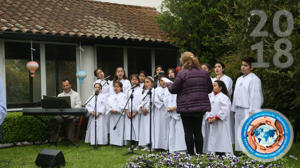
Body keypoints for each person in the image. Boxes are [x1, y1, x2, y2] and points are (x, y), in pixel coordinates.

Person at [167, 51, 213, 155]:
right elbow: (210, 89)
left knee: (188, 132)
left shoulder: (182, 73)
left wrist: (169, 84)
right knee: (198, 131)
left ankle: (191, 154)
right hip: (200, 107)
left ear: (183, 61)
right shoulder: (204, 73)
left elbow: (173, 89)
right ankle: (200, 154)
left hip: (186, 107)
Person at [231, 57, 263, 151]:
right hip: (238, 109)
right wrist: (234, 109)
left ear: (251, 67)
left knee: (248, 132)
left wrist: (253, 112)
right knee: (239, 131)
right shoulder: (239, 79)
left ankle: (250, 152)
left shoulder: (254, 79)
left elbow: (255, 97)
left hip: (247, 110)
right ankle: (240, 151)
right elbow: (236, 95)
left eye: (246, 65)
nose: (243, 67)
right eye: (242, 65)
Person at [203, 80, 233, 155]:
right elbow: (207, 107)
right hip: (211, 122)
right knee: (212, 138)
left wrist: (216, 118)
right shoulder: (210, 96)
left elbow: (225, 109)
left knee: (221, 137)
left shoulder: (224, 97)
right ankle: (212, 153)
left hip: (220, 122)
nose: (213, 87)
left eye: (215, 85)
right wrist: (209, 117)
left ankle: (222, 153)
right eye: (212, 85)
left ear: (220, 88)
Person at [49, 79, 82, 143]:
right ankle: (53, 141)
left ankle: (70, 141)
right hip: (61, 115)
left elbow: (79, 105)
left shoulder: (76, 94)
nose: (65, 87)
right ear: (62, 87)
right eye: (64, 86)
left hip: (71, 115)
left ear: (70, 85)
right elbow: (57, 107)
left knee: (71, 120)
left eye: (67, 85)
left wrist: (72, 108)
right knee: (54, 119)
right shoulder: (60, 95)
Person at [165, 76, 186, 153]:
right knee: (172, 132)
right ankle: (172, 149)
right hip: (171, 114)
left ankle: (181, 149)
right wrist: (168, 108)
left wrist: (174, 108)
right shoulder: (169, 91)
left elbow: (183, 101)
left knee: (180, 131)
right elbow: (166, 100)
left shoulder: (182, 90)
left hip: (179, 113)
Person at [124, 74, 142, 147]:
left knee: (137, 127)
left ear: (138, 81)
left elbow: (141, 102)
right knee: (130, 128)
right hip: (129, 112)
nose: (134, 81)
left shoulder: (141, 90)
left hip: (137, 112)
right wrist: (127, 112)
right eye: (132, 80)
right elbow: (125, 101)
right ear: (130, 81)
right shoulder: (128, 90)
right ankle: (131, 142)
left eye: (136, 79)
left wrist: (135, 112)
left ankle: (137, 143)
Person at [152, 76, 170, 150]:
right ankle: (158, 145)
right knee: (158, 128)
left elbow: (170, 99)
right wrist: (162, 101)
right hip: (158, 112)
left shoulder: (169, 89)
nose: (163, 82)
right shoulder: (156, 90)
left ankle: (166, 146)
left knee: (166, 128)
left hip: (166, 111)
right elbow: (155, 99)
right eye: (161, 81)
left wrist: (162, 100)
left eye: (164, 81)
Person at [107, 81, 127, 146]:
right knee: (113, 128)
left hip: (119, 115)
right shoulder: (111, 96)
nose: (116, 88)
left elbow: (123, 104)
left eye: (117, 87)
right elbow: (108, 105)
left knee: (120, 128)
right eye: (114, 87)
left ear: (121, 88)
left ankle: (120, 142)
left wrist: (118, 110)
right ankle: (113, 142)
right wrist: (111, 110)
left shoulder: (123, 96)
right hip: (112, 115)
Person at [138, 76, 154, 150]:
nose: (146, 84)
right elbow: (141, 101)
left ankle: (149, 143)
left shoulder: (153, 91)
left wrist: (146, 109)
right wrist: (142, 107)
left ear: (152, 83)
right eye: (145, 82)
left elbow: (151, 101)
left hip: (149, 113)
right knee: (144, 128)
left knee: (149, 128)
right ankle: (144, 143)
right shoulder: (144, 92)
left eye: (148, 82)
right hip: (143, 112)